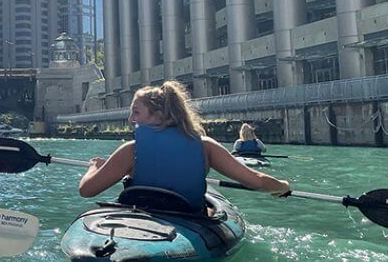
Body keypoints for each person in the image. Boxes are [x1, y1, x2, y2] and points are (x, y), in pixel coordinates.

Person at [78, 81, 290, 212]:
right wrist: (282, 186)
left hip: (142, 217)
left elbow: (86, 190)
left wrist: (94, 168)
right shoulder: (206, 147)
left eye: (136, 112)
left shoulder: (130, 150)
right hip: (189, 218)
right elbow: (256, 181)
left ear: (158, 115)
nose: (130, 119)